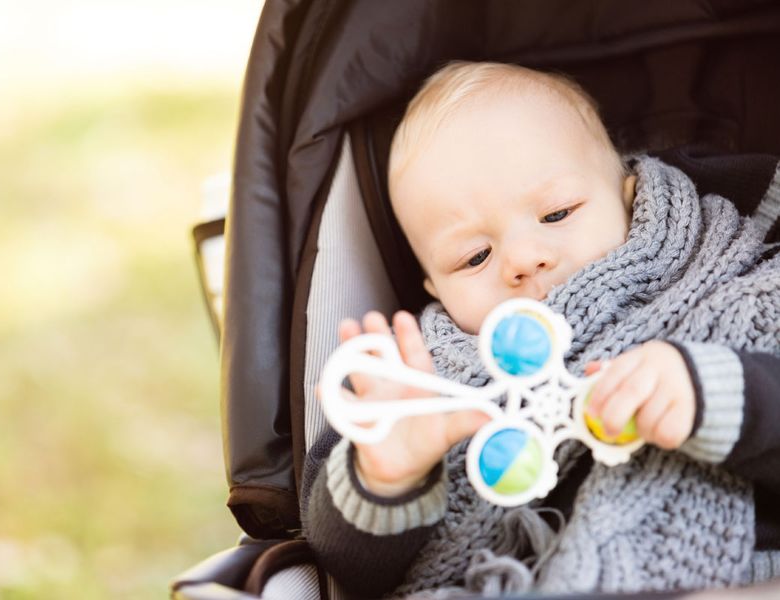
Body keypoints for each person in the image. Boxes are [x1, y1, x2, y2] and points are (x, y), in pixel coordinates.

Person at [302, 61, 780, 598]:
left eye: (556, 214)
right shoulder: (423, 380)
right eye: (475, 256)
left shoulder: (736, 284)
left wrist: (721, 393)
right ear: (434, 288)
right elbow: (349, 568)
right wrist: (388, 477)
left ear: (629, 195)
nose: (523, 259)